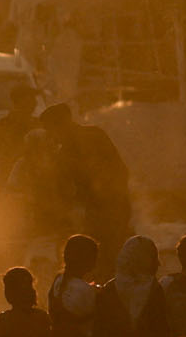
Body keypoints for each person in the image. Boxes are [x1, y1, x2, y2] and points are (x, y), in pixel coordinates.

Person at [42, 104, 133, 256]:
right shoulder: (87, 138)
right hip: (103, 209)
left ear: (62, 124)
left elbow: (116, 171)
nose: (51, 136)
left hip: (107, 209)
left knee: (103, 253)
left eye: (51, 130)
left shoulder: (86, 140)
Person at [0, 83, 40, 188]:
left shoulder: (37, 124)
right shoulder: (5, 125)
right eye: (31, 98)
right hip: (10, 180)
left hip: (30, 181)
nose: (35, 103)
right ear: (20, 101)